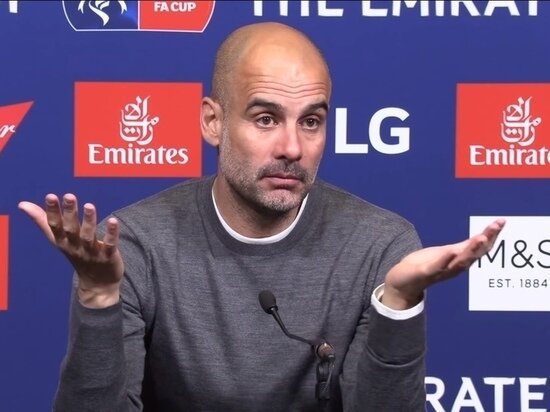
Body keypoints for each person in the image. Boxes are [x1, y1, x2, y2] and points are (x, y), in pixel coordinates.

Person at [19, 22, 504, 412]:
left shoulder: (381, 245)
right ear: (213, 122)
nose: (292, 148)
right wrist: (99, 296)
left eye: (311, 121)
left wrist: (397, 303)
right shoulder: (136, 244)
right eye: (266, 119)